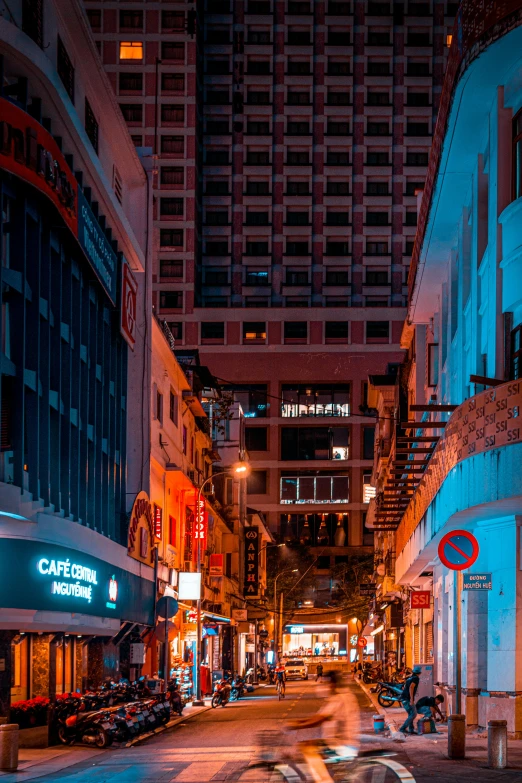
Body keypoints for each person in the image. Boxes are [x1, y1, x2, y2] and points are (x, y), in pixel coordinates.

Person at [287, 671, 360, 783]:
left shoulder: (339, 699)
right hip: (343, 742)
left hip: (342, 745)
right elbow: (318, 716)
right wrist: (298, 722)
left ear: (333, 684)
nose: (325, 686)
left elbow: (319, 719)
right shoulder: (345, 695)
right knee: (310, 745)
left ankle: (325, 780)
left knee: (308, 748)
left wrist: (297, 726)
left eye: (327, 683)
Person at [398, 665, 422, 735]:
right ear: (419, 673)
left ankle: (411, 729)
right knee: (414, 714)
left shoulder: (410, 677)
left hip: (404, 698)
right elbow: (411, 688)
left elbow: (405, 687)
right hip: (407, 699)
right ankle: (402, 728)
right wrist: (411, 699)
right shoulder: (415, 678)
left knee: (410, 714)